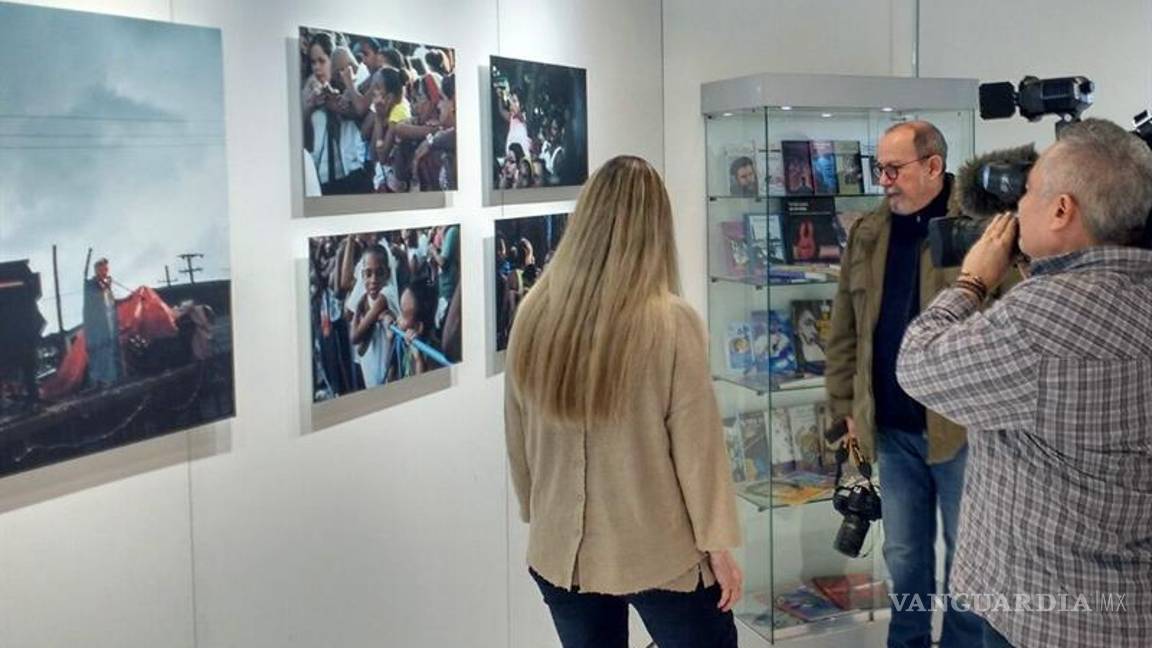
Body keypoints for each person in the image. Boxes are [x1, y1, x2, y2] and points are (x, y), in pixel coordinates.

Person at [896, 118, 1152, 648]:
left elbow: (918, 362)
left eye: (1030, 192)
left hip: (1041, 613)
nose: (1016, 211)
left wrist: (972, 280)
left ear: (1063, 210)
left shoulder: (1039, 320)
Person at [504, 155, 743, 648]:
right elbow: (698, 453)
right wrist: (717, 546)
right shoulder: (671, 322)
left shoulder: (534, 311)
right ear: (656, 227)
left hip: (559, 550)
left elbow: (517, 430)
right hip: (657, 549)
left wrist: (537, 507)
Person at [825, 121, 982, 647]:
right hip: (890, 429)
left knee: (969, 555)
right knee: (905, 555)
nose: (884, 181)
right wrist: (845, 407)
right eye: (879, 169)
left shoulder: (982, 228)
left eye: (895, 169)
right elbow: (845, 326)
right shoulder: (868, 232)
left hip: (963, 429)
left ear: (934, 166)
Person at [83, 257, 122, 388]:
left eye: (106, 269)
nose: (105, 272)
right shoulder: (91, 284)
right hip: (97, 326)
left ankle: (115, 378)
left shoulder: (106, 285)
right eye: (103, 269)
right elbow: (97, 297)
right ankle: (101, 381)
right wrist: (106, 286)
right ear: (97, 270)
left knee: (112, 350)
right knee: (99, 352)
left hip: (109, 325)